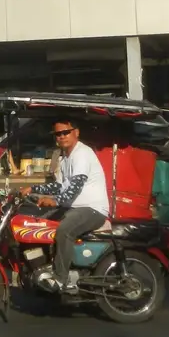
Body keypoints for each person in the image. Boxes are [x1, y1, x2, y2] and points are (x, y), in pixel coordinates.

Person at [22, 118, 110, 294]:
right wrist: (33, 189)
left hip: (92, 209)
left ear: (76, 132)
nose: (62, 137)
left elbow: (76, 185)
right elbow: (59, 186)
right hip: (74, 208)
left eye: (65, 132)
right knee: (38, 222)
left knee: (64, 231)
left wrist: (56, 201)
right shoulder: (65, 159)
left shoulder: (82, 153)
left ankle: (59, 279)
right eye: (58, 134)